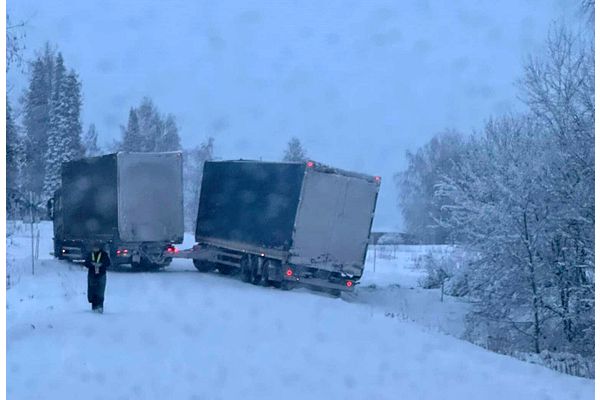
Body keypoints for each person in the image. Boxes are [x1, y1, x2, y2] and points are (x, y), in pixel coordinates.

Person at [84, 243, 110, 313]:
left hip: (101, 275)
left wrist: (101, 264)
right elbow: (86, 263)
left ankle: (100, 307)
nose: (95, 249)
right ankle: (94, 306)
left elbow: (108, 263)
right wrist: (92, 264)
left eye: (97, 247)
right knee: (92, 291)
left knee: (100, 291)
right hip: (92, 275)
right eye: (94, 247)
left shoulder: (104, 254)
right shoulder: (90, 254)